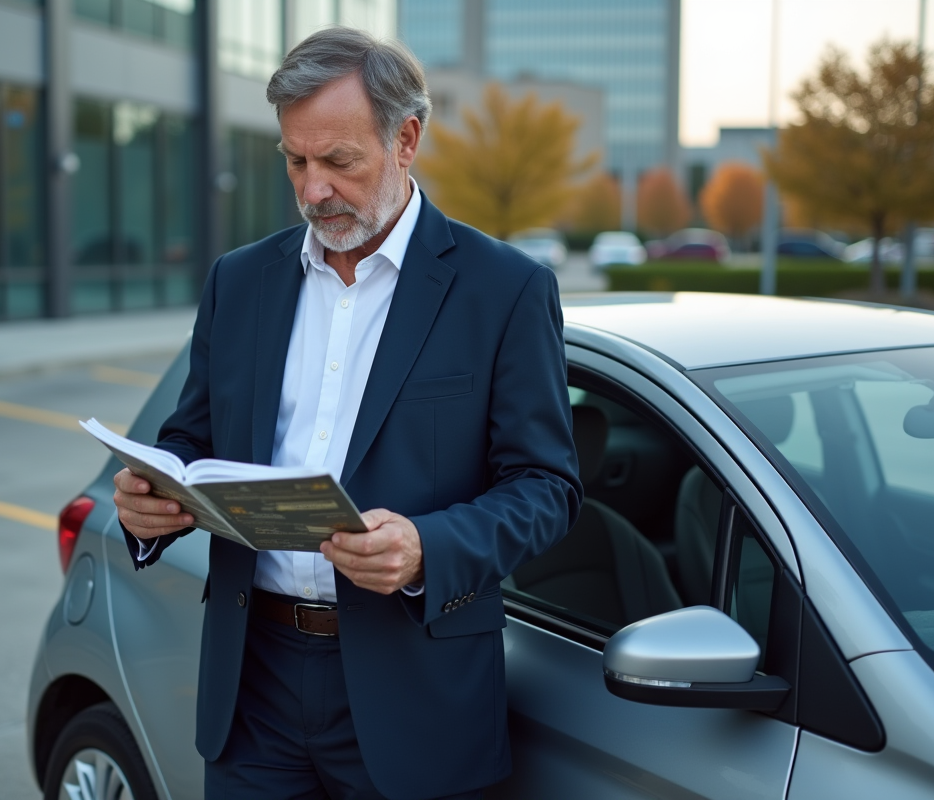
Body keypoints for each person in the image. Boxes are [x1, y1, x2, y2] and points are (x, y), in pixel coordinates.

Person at [112, 27, 582, 800]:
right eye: (296, 161)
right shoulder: (239, 281)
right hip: (252, 688)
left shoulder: (504, 290)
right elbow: (191, 437)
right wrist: (151, 499)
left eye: (338, 161)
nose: (313, 191)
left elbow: (546, 488)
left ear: (407, 140)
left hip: (416, 693)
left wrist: (427, 547)